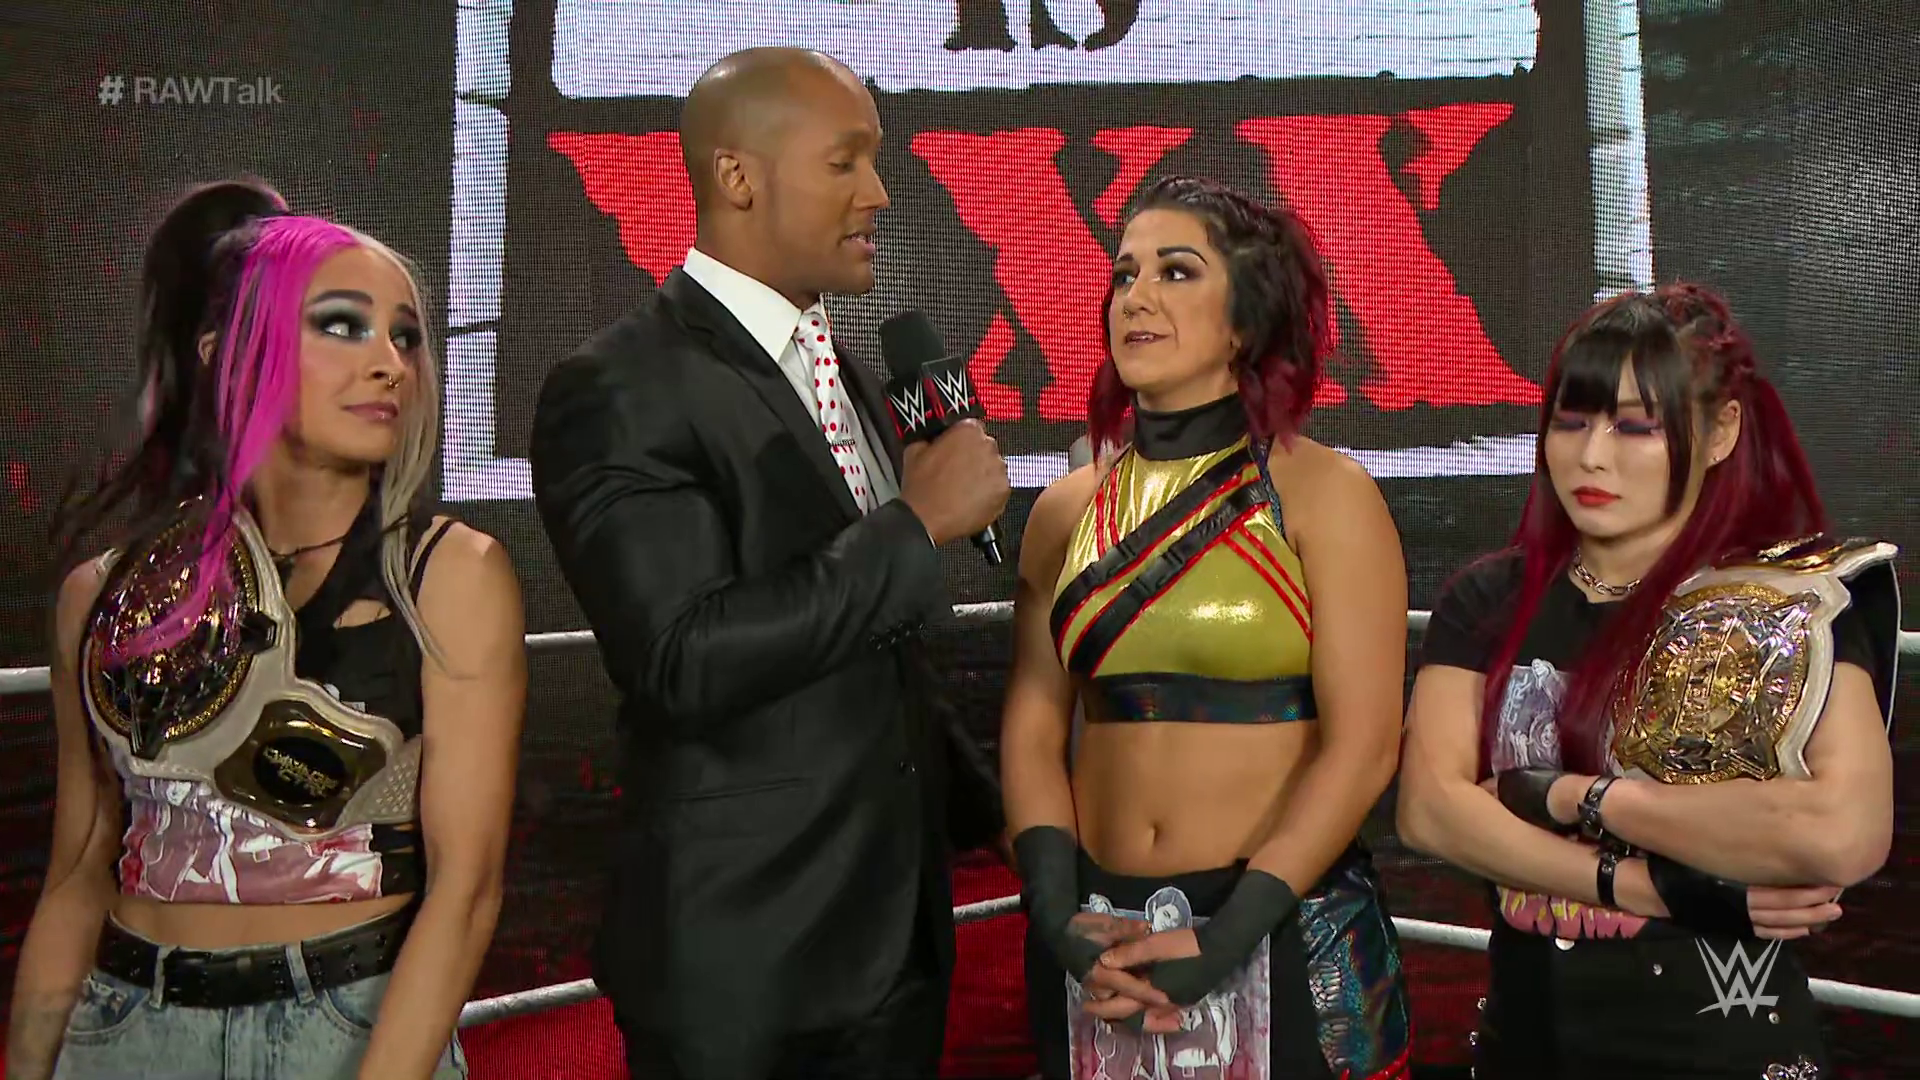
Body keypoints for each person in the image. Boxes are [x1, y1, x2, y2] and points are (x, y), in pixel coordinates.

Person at [528, 47, 1011, 1080]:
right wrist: (915, 526)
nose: (879, 193)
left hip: (892, 955)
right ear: (739, 177)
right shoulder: (618, 386)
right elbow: (682, 656)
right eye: (846, 161)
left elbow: (868, 654)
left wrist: (1010, 826)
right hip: (745, 971)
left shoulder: (847, 370)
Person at [8, 179, 526, 1080]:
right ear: (227, 355)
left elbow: (467, 894)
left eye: (405, 336)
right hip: (127, 1027)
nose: (390, 363)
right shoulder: (101, 597)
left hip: (345, 1025)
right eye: (342, 325)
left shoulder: (451, 577)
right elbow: (77, 873)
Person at [1396, 284, 1898, 1079]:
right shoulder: (1488, 599)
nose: (1592, 456)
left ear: (1721, 430)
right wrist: (1641, 884)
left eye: (1637, 426)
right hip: (1528, 1043)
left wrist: (1576, 797)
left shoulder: (1789, 607)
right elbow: (1430, 812)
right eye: (1572, 421)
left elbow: (1841, 833)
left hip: (1721, 1050)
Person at [1002, 175, 1414, 1080]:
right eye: (1125, 274)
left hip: (1282, 927)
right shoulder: (1064, 513)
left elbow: (1364, 748)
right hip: (1098, 940)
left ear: (1245, 319)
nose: (1136, 296)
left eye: (1176, 271)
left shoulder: (1324, 495)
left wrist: (1226, 940)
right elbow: (1032, 725)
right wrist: (1056, 915)